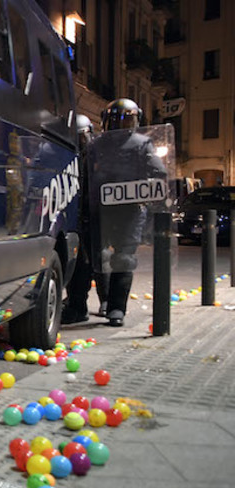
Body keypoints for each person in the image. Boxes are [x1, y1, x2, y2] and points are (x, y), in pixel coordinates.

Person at [86, 98, 167, 327]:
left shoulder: (142, 144)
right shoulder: (96, 144)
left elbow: (158, 174)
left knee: (123, 258)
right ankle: (105, 301)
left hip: (129, 212)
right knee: (99, 257)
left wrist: (147, 191)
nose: (121, 125)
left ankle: (116, 308)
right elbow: (86, 176)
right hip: (101, 210)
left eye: (126, 119)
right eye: (117, 120)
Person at [62, 113, 105, 323]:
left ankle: (105, 303)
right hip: (76, 218)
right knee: (79, 266)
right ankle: (77, 305)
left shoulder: (98, 157)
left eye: (82, 137)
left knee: (96, 265)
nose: (80, 142)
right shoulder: (69, 156)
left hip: (93, 217)